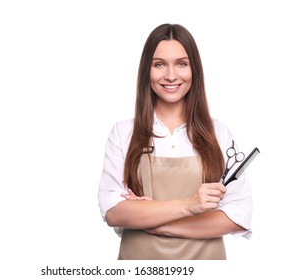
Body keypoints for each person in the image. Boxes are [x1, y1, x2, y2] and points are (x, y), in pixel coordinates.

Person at [98, 23, 252, 260]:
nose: (171, 75)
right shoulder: (123, 132)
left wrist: (162, 225)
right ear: (146, 71)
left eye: (181, 64)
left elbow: (236, 215)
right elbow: (113, 211)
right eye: (159, 64)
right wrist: (190, 205)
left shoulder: (218, 133)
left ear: (194, 70)